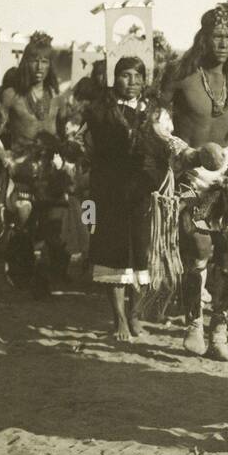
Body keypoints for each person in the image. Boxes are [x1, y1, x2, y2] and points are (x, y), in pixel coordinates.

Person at [162, 2, 228, 360]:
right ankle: (193, 323)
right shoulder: (180, 73)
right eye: (216, 36)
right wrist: (185, 152)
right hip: (191, 173)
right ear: (202, 37)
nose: (223, 43)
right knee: (199, 250)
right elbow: (157, 121)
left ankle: (220, 323)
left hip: (227, 175)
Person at [83, 56, 170, 341]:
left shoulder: (155, 112)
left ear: (145, 80)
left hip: (143, 189)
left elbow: (168, 141)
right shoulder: (98, 110)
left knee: (141, 249)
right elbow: (82, 141)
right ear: (114, 78)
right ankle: (118, 318)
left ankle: (135, 316)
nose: (132, 82)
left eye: (137, 76)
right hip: (109, 190)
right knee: (113, 251)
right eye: (125, 75)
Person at [0, 31, 74, 294]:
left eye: (45, 62)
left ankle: (44, 274)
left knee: (55, 225)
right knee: (23, 213)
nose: (39, 67)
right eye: (34, 61)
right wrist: (7, 159)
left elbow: (63, 133)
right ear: (25, 63)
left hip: (50, 172)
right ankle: (19, 268)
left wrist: (65, 158)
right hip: (20, 170)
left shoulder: (56, 97)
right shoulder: (11, 95)